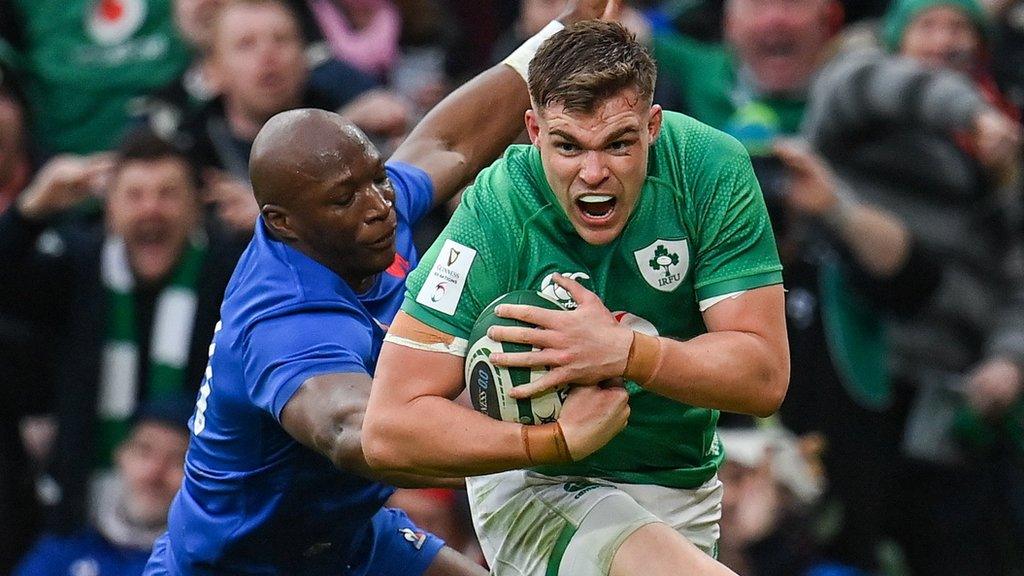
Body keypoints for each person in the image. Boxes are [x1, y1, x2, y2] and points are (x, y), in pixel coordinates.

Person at [142, 1, 624, 574]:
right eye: (346, 200)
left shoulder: (365, 210)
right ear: (282, 222)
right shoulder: (283, 318)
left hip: (346, 534)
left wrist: (568, 28)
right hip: (240, 564)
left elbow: (449, 143)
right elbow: (360, 432)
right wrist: (555, 442)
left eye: (376, 178)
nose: (380, 208)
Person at [363, 20, 790, 576]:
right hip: (538, 483)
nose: (593, 174)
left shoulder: (710, 171)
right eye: (568, 146)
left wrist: (626, 353)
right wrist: (554, 441)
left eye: (618, 144)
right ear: (534, 131)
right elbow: (387, 429)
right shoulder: (497, 210)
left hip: (680, 484)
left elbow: (764, 379)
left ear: (653, 127)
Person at [803, 0, 1024, 572]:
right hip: (854, 377)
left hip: (952, 396)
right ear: (896, 37)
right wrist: (972, 113)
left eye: (961, 29)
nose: (945, 40)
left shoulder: (995, 151)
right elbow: (890, 84)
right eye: (929, 24)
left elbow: (1017, 276)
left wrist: (1010, 360)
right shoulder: (857, 82)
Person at [0, 129, 246, 533]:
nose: (151, 209)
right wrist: (31, 209)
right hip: (83, 515)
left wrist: (277, 233)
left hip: (208, 515)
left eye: (168, 193)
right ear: (110, 208)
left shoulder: (232, 271)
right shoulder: (77, 268)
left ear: (196, 207)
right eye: (134, 195)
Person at [14, 396, 192, 576]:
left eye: (177, 459)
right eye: (144, 451)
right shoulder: (62, 551)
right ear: (121, 455)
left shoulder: (198, 566)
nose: (154, 472)